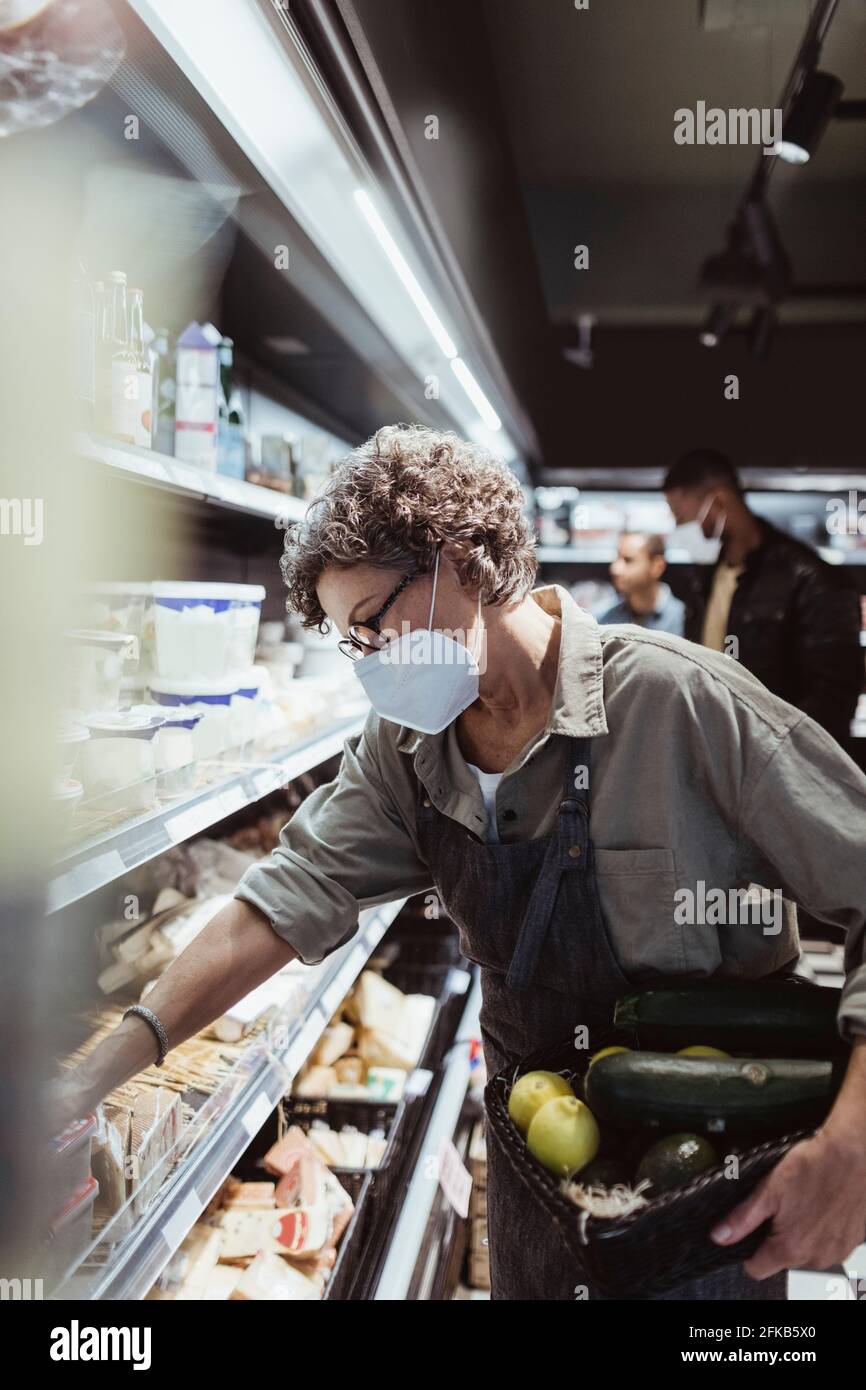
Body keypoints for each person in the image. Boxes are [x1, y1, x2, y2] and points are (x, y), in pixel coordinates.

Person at [54, 427, 866, 1301]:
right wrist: (85, 1082)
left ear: (460, 558)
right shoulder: (406, 749)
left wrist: (853, 1149)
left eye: (372, 626)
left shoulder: (682, 703)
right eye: (350, 645)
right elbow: (286, 898)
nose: (372, 665)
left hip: (705, 1199)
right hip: (533, 1185)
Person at [664, 449, 862, 747]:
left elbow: (833, 699)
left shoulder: (812, 580)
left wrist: (773, 755)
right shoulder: (704, 580)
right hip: (719, 756)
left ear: (716, 503)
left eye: (682, 517)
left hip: (779, 770)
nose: (680, 530)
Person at [596, 531, 685, 633]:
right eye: (617, 558)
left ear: (657, 566)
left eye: (628, 560)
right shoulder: (602, 617)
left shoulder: (684, 617)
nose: (615, 568)